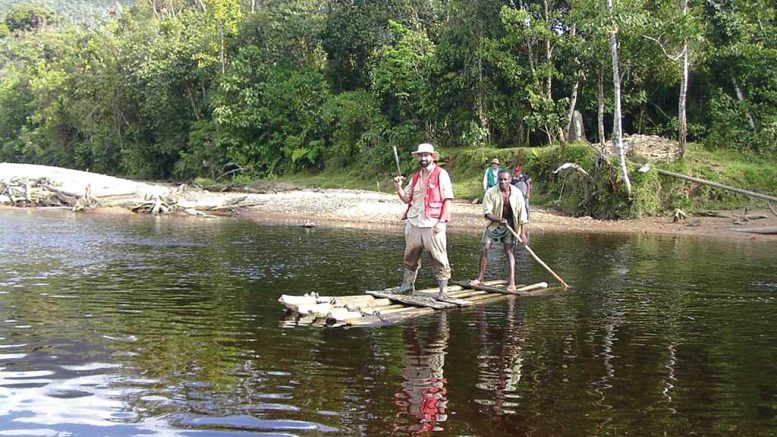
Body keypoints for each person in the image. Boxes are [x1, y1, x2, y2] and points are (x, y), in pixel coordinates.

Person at [392, 143, 454, 300]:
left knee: (438, 256)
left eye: (426, 155)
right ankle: (407, 286)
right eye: (421, 155)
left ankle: (443, 291)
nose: (423, 158)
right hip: (414, 221)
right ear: (418, 158)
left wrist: (442, 221)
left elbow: (448, 199)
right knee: (410, 255)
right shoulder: (415, 177)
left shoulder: (441, 174)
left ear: (432, 157)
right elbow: (407, 198)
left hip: (433, 223)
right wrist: (398, 187)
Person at [470, 170, 528, 292]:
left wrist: (522, 234)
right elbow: (487, 213)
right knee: (485, 248)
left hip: (511, 227)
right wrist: (499, 219)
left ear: (510, 180)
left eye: (505, 179)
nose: (502, 182)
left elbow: (523, 214)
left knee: (509, 251)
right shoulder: (491, 192)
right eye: (500, 179)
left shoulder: (517, 193)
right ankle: (480, 278)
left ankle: (512, 281)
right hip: (494, 225)